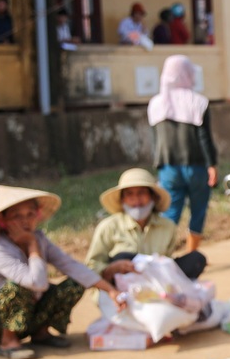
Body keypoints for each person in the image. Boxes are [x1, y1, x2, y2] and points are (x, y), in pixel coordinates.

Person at [0, 186, 120, 359]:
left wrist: (111, 290)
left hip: (28, 317)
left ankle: (41, 333)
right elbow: (37, 283)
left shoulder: (40, 239)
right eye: (16, 216)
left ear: (37, 215)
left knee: (74, 284)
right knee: (17, 287)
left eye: (30, 214)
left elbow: (70, 265)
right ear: (2, 219)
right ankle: (8, 341)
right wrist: (32, 246)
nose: (25, 221)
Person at [85, 168, 207, 283]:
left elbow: (166, 261)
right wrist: (111, 269)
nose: (136, 199)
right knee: (123, 257)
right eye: (129, 194)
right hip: (122, 286)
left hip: (157, 281)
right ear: (122, 199)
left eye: (141, 193)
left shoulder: (167, 226)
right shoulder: (108, 227)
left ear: (152, 196)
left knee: (196, 259)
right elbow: (92, 266)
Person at [148, 55, 217, 253]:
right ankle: (191, 254)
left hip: (168, 168)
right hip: (196, 167)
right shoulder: (199, 102)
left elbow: (156, 140)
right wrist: (212, 165)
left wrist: (159, 164)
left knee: (170, 212)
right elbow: (204, 138)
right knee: (198, 210)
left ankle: (163, 254)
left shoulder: (156, 104)